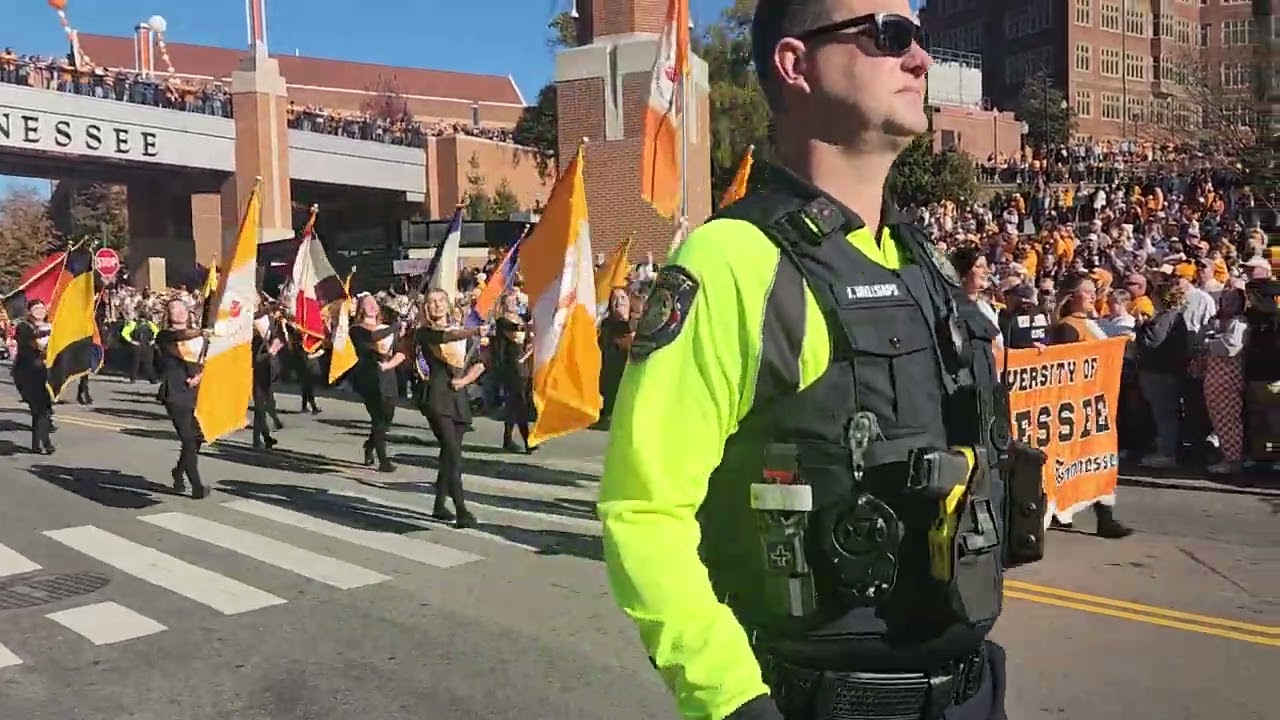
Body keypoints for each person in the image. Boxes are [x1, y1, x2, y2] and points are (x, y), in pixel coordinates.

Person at [599, 3, 1027, 718]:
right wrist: (733, 702)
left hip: (970, 691)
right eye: (890, 35)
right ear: (795, 64)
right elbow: (643, 510)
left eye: (921, 38)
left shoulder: (922, 261)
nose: (920, 59)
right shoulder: (734, 259)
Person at [414, 289, 486, 527]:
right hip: (437, 398)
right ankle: (462, 510)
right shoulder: (425, 332)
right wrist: (473, 331)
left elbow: (479, 364)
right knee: (453, 454)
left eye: (440, 301)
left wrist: (464, 381)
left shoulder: (460, 331)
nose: (436, 305)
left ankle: (438, 506)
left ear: (448, 303)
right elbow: (443, 339)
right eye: (432, 302)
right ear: (426, 308)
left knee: (449, 454)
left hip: (459, 398)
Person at [155, 298, 209, 498]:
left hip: (199, 391)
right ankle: (197, 486)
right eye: (172, 309)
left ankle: (178, 471)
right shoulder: (165, 336)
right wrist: (202, 332)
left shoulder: (200, 338)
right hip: (176, 392)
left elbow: (208, 360)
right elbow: (180, 335)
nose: (177, 312)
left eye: (181, 308)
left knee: (197, 439)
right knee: (188, 438)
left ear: (188, 311)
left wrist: (201, 375)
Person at [349, 293, 405, 471]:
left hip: (388, 374)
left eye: (374, 303)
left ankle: (370, 445)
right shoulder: (357, 329)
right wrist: (395, 327)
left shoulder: (385, 327)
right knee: (378, 416)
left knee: (387, 416)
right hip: (369, 375)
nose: (372, 306)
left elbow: (399, 351)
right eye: (367, 304)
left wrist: (391, 363)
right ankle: (383, 459)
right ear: (361, 309)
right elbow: (375, 337)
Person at [492, 292, 535, 453]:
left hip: (522, 364)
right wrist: (531, 325)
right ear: (504, 304)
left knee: (513, 404)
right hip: (510, 366)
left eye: (515, 301)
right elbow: (516, 332)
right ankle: (528, 440)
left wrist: (530, 342)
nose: (514, 304)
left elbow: (525, 336)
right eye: (510, 301)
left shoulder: (520, 319)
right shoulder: (503, 321)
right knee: (520, 403)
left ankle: (508, 438)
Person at [12, 300, 55, 454]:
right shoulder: (24, 326)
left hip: (47, 373)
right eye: (35, 308)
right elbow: (29, 339)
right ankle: (45, 443)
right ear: (29, 311)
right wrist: (49, 333)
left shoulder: (52, 325)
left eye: (42, 308)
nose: (39, 311)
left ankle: (37, 444)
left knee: (43, 410)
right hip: (28, 373)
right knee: (39, 409)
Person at [251, 309, 284, 450]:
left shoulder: (270, 331)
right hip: (258, 374)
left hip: (267, 374)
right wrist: (270, 353)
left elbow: (279, 337)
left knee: (267, 404)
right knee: (260, 408)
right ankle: (257, 440)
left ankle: (266, 437)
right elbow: (255, 359)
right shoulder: (257, 339)